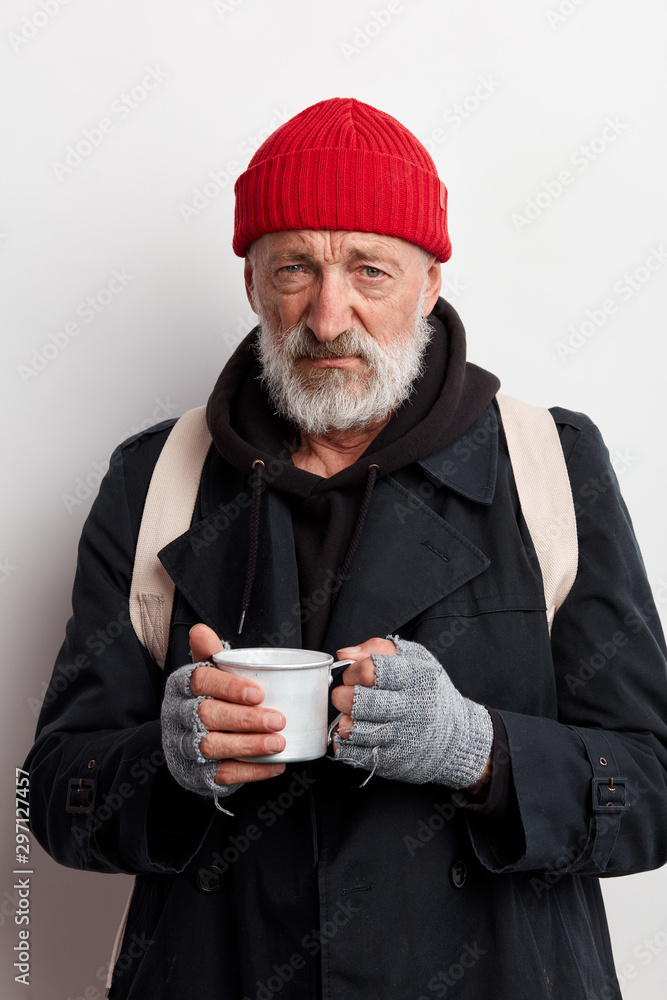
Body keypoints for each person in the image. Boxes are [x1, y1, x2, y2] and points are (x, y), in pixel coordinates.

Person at [26, 97, 667, 1000]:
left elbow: (653, 784)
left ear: (430, 283)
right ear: (252, 284)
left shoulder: (550, 466)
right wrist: (166, 766)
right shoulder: (153, 478)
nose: (328, 318)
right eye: (294, 268)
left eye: (369, 269)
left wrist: (479, 750)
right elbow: (46, 794)